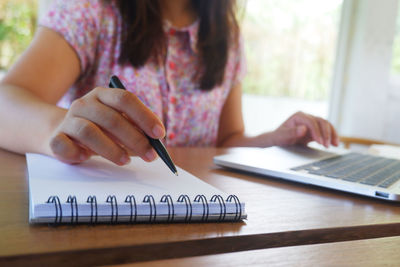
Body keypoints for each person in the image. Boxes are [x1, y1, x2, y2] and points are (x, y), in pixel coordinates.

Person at [0, 0, 338, 166]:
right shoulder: (92, 10)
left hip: (200, 222)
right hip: (108, 210)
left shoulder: (226, 36)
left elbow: (227, 139)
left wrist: (275, 140)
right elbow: (6, 102)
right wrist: (60, 126)